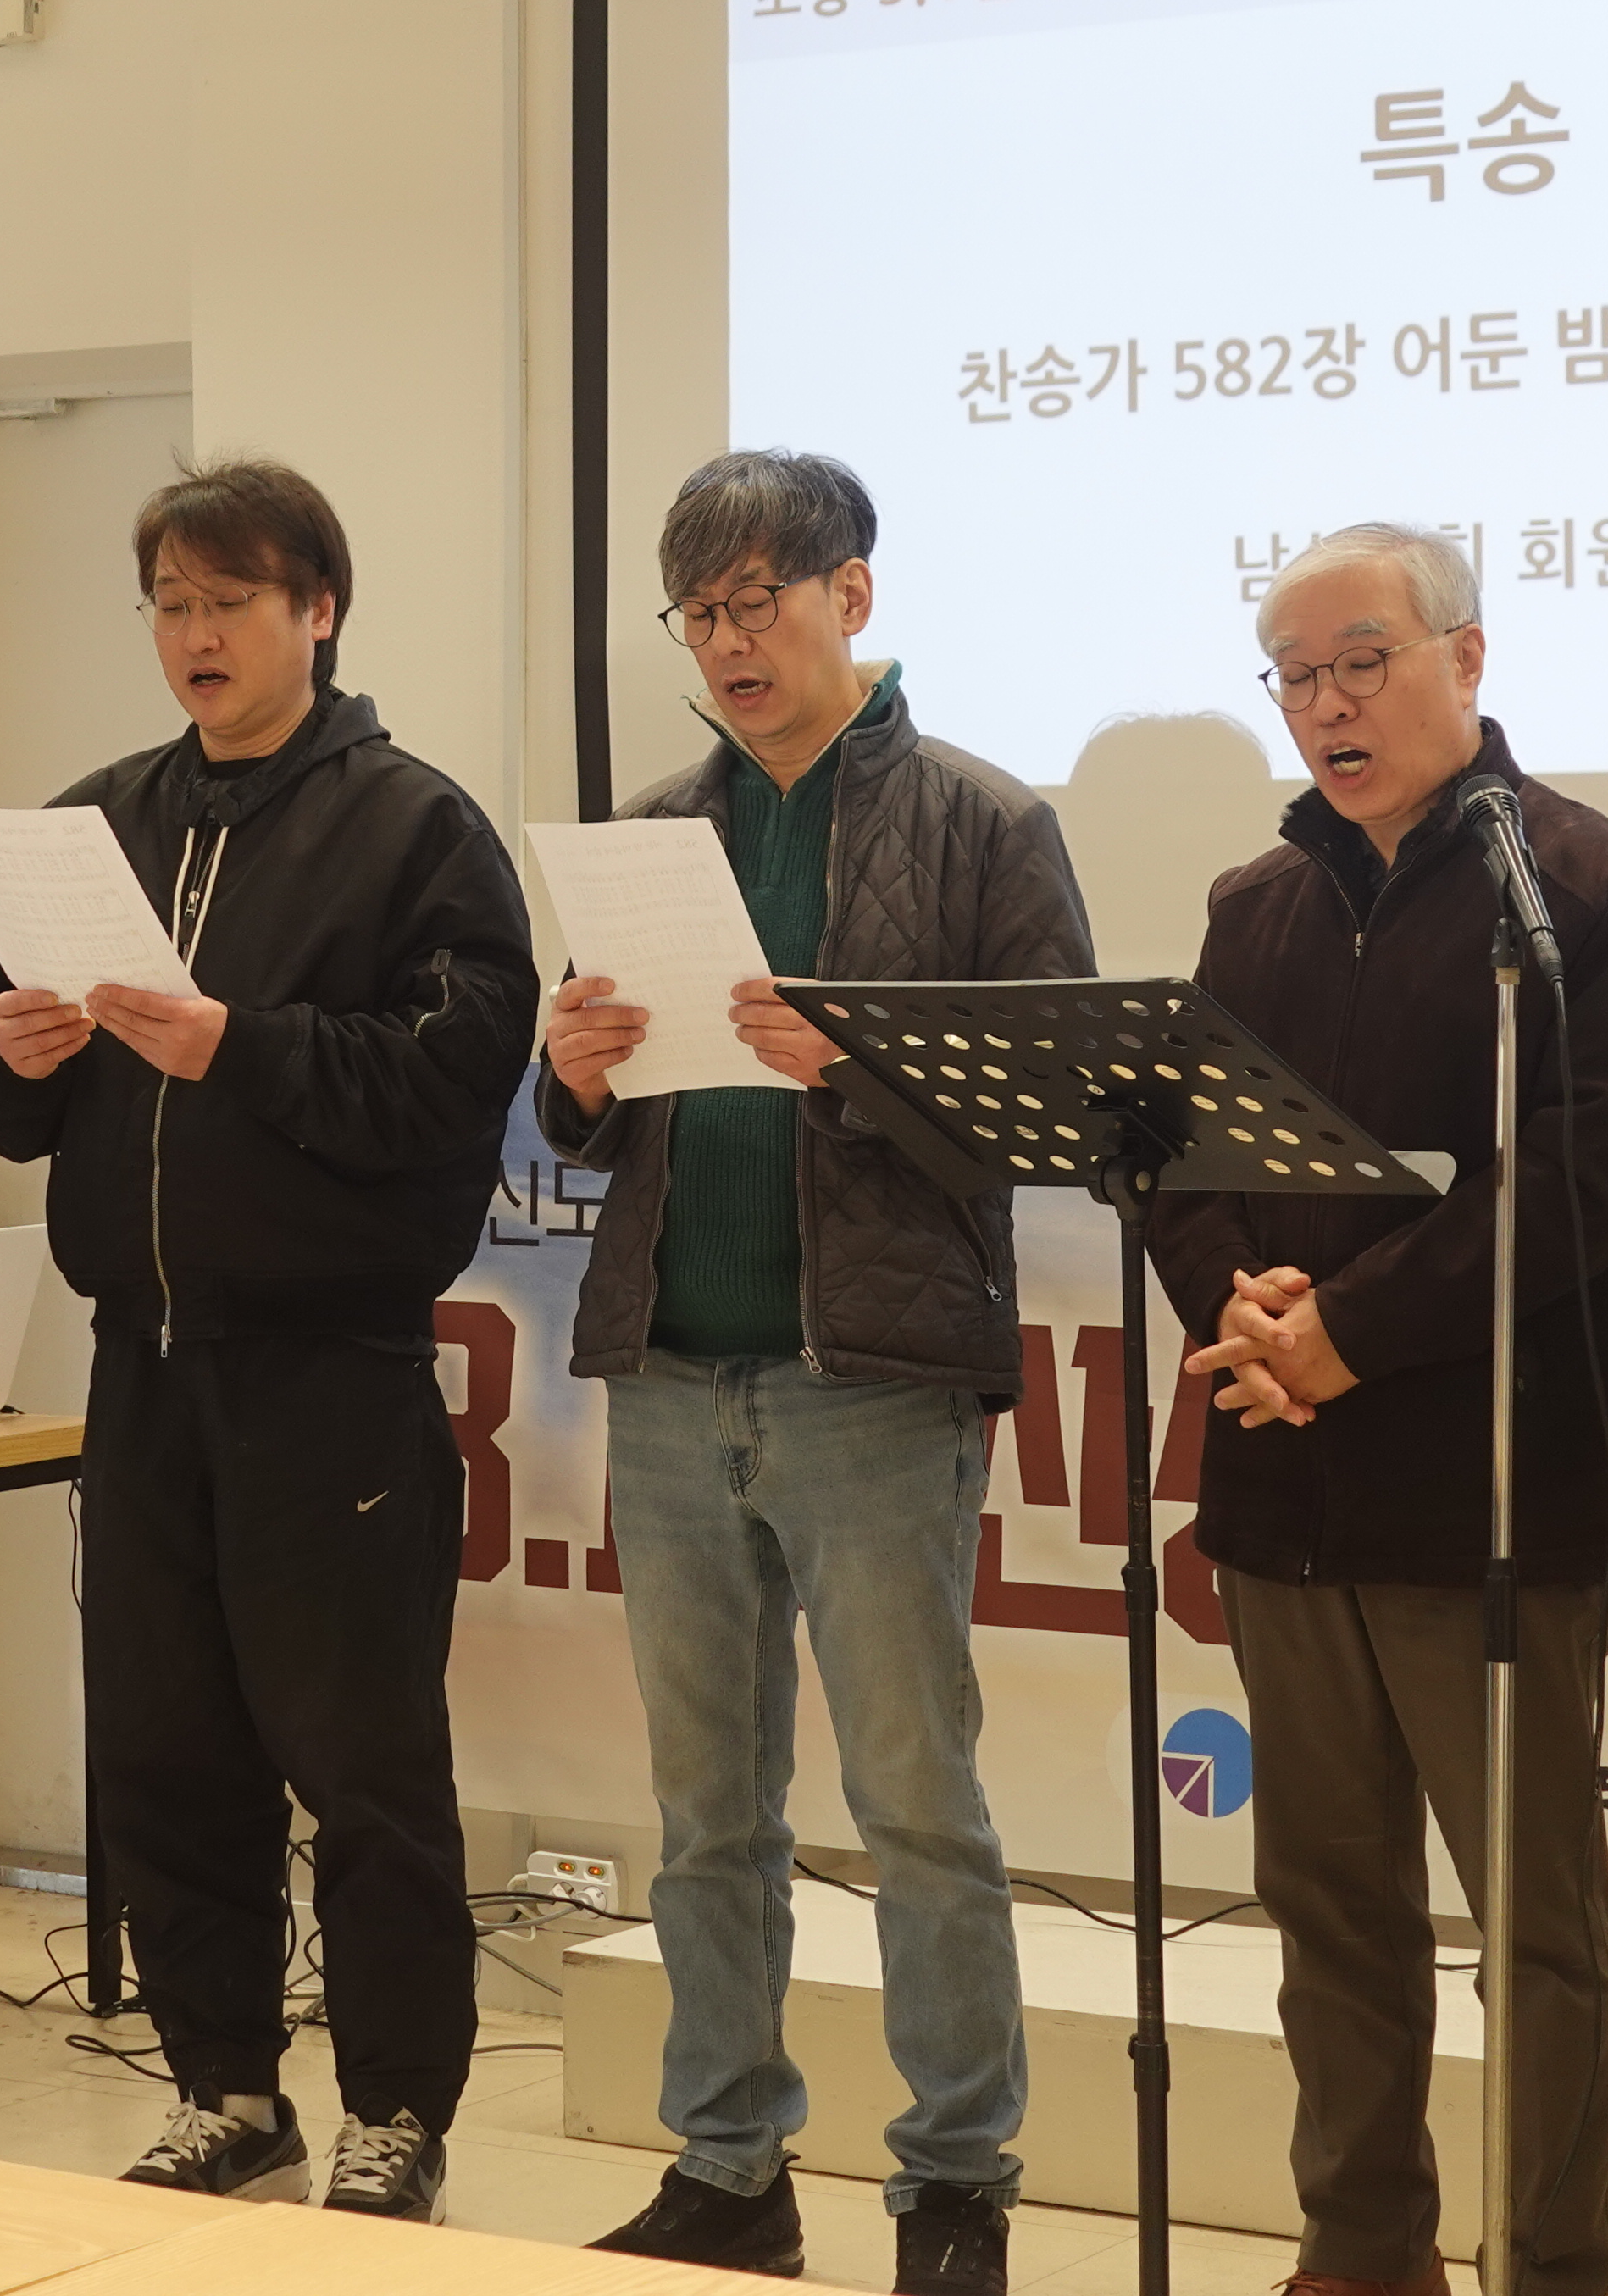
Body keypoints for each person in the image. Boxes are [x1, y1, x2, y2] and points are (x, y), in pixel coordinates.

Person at [536, 450, 1097, 2296]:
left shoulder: (986, 823)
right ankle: (729, 2169)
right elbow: (589, 1123)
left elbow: (1055, 1113)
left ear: (850, 596)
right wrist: (574, 1075)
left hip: (873, 1382)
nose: (728, 639)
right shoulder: (652, 833)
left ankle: (955, 2186)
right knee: (707, 1819)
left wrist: (850, 1066)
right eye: (699, 612)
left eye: (757, 599)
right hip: (671, 1376)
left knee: (920, 1812)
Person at [0, 458, 535, 2226]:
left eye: (230, 602)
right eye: (171, 605)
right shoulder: (95, 821)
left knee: (362, 1767)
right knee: (165, 1748)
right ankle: (226, 2086)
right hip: (137, 1360)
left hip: (329, 1367)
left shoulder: (415, 827)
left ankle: (397, 2109)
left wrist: (239, 1045)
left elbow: (452, 1083)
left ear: (317, 611)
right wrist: (15, 1057)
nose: (195, 635)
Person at [1145, 524, 1608, 2296]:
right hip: (1286, 1487)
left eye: (1361, 662)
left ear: (1466, 656)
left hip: (1495, 1504)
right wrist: (1238, 1306)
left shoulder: (1598, 899)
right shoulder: (1253, 906)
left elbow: (1589, 1182)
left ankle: (1550, 2264)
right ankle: (1361, 2250)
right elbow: (1174, 1151)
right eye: (1296, 676)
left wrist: (1351, 1332)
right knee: (1331, 1915)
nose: (1328, 704)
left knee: (1534, 1934)